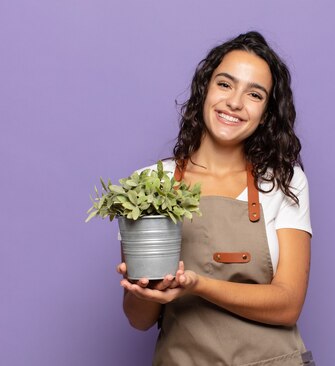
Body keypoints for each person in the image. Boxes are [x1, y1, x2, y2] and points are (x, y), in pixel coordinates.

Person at [117, 31, 314, 366]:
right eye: (225, 84)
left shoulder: (284, 181)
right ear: (205, 89)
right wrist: (142, 289)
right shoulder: (148, 183)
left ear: (266, 113)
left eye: (254, 94)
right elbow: (139, 319)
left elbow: (288, 303)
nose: (235, 102)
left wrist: (198, 285)